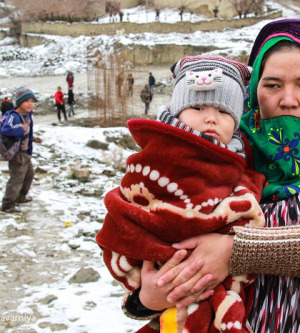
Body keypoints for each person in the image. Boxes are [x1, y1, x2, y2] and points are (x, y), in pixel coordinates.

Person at [126, 19, 300, 333]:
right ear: (253, 90)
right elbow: (152, 247)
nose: (287, 99)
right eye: (273, 84)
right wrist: (146, 299)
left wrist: (235, 251)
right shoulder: (220, 155)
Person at [97, 56, 266, 332]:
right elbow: (129, 207)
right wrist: (145, 297)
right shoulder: (159, 156)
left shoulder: (240, 163)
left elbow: (247, 213)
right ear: (177, 112)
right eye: (197, 107)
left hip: (214, 289)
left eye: (224, 112)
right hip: (164, 284)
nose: (211, 117)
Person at [0, 86, 36, 214]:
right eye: (27, 101)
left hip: (25, 153)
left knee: (29, 175)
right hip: (17, 154)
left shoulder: (27, 115)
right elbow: (6, 130)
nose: (30, 104)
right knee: (16, 179)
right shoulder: (13, 116)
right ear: (19, 102)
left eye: (32, 101)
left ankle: (21, 197)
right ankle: (7, 205)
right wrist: (21, 129)